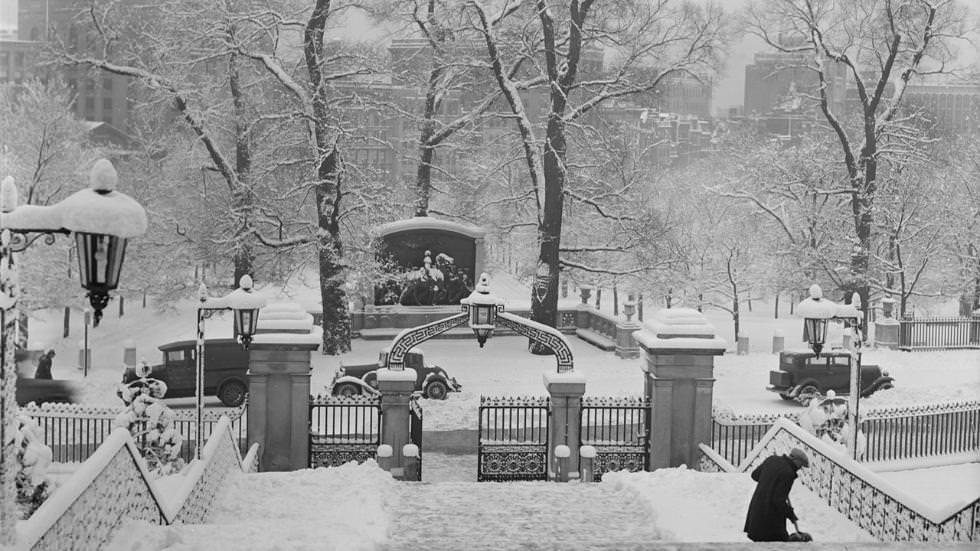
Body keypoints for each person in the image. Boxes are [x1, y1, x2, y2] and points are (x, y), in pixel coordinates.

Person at [744, 447, 809, 542]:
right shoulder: (788, 473)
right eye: (801, 465)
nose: (800, 468)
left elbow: (755, 475)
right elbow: (778, 501)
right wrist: (790, 514)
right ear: (796, 461)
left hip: (756, 514)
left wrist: (770, 481)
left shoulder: (772, 459)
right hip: (769, 522)